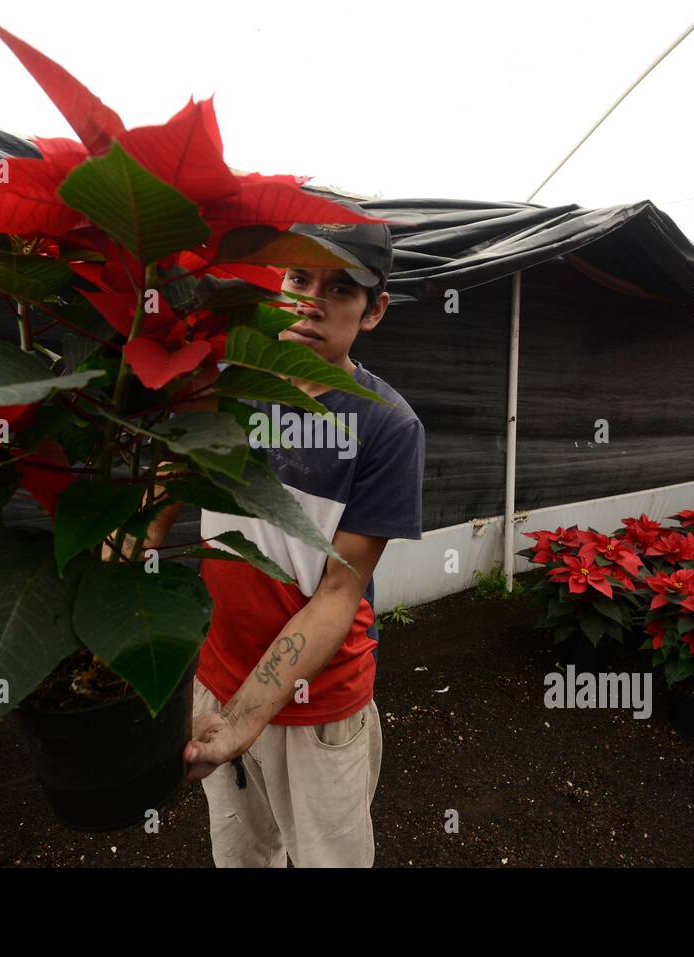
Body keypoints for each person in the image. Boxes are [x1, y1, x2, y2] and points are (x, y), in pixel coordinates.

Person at [145, 201, 425, 867]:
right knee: (241, 855)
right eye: (299, 280)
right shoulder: (226, 387)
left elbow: (337, 593)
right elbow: (163, 484)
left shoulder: (387, 427)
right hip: (214, 674)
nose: (313, 302)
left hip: (318, 707)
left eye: (340, 289)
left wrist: (244, 720)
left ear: (374, 310)